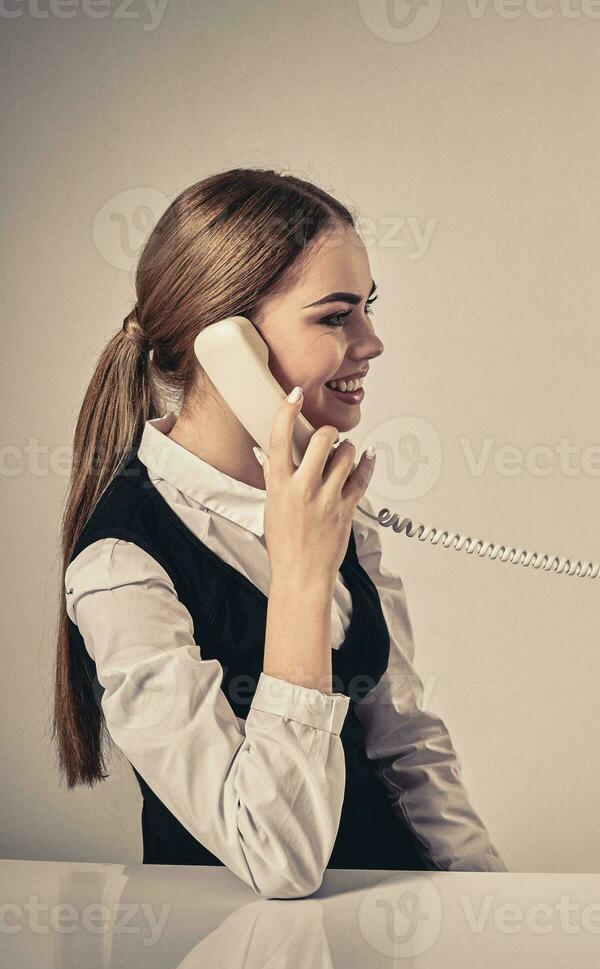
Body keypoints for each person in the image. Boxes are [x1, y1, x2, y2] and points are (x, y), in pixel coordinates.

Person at [54, 168, 506, 897]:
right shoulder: (121, 564)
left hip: (392, 931)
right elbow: (277, 859)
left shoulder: (326, 500)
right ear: (228, 345)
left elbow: (405, 745)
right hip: (238, 950)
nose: (373, 341)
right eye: (335, 316)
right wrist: (300, 579)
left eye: (368, 308)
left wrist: (490, 902)